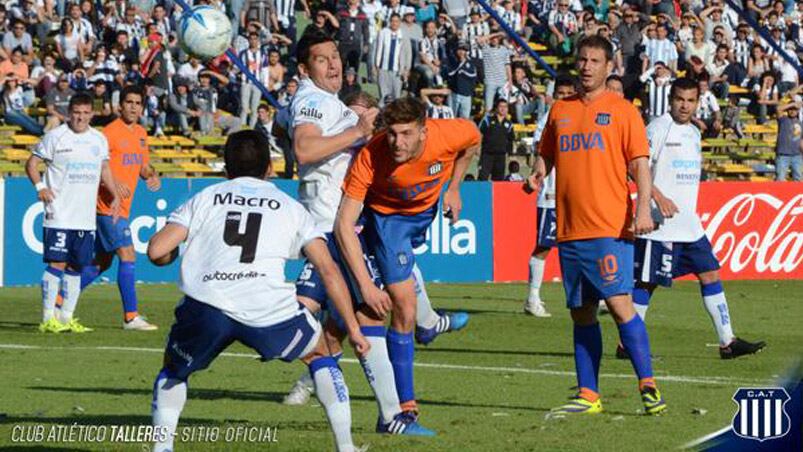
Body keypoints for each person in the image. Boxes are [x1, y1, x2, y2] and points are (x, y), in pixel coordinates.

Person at [147, 130, 369, 452]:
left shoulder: (207, 197)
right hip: (267, 308)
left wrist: (171, 254)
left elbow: (157, 251)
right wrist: (352, 328)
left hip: (209, 304)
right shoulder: (290, 206)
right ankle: (346, 447)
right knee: (320, 354)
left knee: (173, 369)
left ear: (226, 168)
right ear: (269, 169)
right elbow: (329, 270)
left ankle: (162, 448)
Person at [285, 30, 444, 435]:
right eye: (322, 59)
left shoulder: (327, 101)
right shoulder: (312, 101)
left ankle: (387, 413)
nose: (334, 64)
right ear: (305, 70)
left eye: (335, 56)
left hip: (332, 227)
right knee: (368, 311)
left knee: (356, 318)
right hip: (329, 228)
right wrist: (357, 132)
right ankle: (391, 414)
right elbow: (304, 149)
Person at [527, 36, 666, 415]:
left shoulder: (623, 112)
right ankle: (589, 394)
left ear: (609, 67)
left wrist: (642, 209)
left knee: (620, 305)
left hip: (609, 226)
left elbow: (639, 164)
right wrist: (538, 173)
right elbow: (547, 154)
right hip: (570, 229)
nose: (586, 66)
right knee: (581, 313)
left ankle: (648, 386)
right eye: (582, 60)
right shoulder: (560, 110)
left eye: (594, 61)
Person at [337, 96, 480, 428]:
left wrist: (455, 188)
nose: (397, 143)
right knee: (402, 306)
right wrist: (366, 286)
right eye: (392, 134)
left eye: (405, 134)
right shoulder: (372, 155)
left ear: (424, 130)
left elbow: (473, 140)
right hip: (389, 223)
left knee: (402, 302)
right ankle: (405, 408)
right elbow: (344, 223)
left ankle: (428, 326)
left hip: (424, 214)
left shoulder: (449, 134)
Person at [631, 77, 766, 359]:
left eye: (690, 100)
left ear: (697, 102)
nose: (685, 105)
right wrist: (658, 197)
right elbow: (633, 167)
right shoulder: (657, 129)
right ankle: (627, 343)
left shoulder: (694, 132)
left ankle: (727, 341)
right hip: (660, 227)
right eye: (680, 99)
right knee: (647, 284)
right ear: (671, 99)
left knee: (710, 273)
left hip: (689, 226)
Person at [25, 93, 120, 334]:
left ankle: (66, 318)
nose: (80, 117)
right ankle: (48, 318)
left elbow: (105, 168)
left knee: (77, 267)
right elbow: (32, 164)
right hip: (59, 213)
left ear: (91, 113)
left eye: (85, 113)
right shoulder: (56, 136)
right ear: (69, 112)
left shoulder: (99, 139)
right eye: (76, 112)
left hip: (85, 218)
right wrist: (40, 187)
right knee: (57, 263)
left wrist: (115, 194)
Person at [74, 86, 161, 330]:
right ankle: (131, 317)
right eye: (129, 102)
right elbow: (95, 166)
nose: (133, 106)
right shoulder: (109, 133)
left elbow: (143, 166)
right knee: (128, 254)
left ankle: (62, 298)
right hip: (107, 206)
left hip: (123, 207)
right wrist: (114, 183)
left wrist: (151, 175)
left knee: (101, 262)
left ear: (142, 107)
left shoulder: (142, 133)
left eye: (137, 102)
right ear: (120, 105)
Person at [523, 74, 577, 317]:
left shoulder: (580, 117)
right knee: (545, 246)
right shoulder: (548, 119)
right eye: (560, 94)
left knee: (581, 245)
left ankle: (590, 295)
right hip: (552, 194)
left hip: (576, 195)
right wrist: (536, 174)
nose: (563, 98)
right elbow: (539, 152)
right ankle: (532, 298)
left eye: (568, 94)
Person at [478, 98, 514, 181]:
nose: (503, 109)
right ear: (496, 108)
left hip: (501, 156)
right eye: (501, 106)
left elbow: (510, 139)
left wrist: (509, 153)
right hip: (487, 154)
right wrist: (477, 148)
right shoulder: (487, 120)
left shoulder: (509, 124)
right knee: (482, 178)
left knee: (499, 180)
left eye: (505, 107)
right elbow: (479, 134)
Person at [774, 101, 803, 181]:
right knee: (780, 178)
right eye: (790, 109)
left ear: (798, 111)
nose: (792, 111)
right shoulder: (783, 120)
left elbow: (801, 140)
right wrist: (793, 104)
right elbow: (778, 109)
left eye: (795, 109)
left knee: (798, 179)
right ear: (787, 110)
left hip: (797, 155)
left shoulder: (801, 123)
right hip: (783, 155)